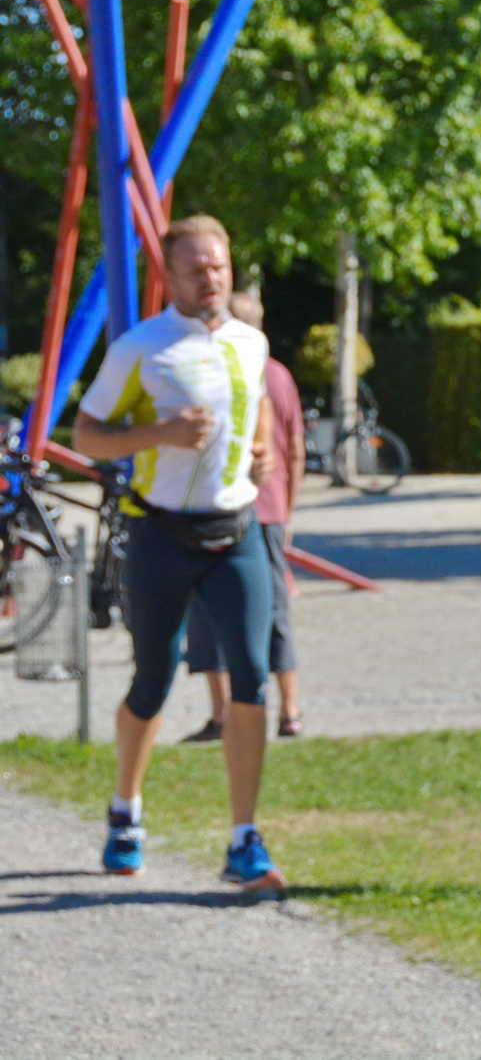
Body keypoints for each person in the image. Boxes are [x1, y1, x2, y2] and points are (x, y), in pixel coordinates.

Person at [74, 214, 286, 891]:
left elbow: (257, 407)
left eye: (218, 266)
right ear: (169, 276)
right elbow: (86, 435)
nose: (210, 279)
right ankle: (125, 812)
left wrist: (263, 450)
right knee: (153, 678)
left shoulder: (251, 341)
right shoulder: (141, 347)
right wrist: (160, 433)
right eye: (196, 269)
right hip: (160, 534)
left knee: (251, 677)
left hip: (235, 533)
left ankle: (244, 837)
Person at [180, 289, 307, 743]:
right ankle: (289, 710)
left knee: (206, 610)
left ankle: (221, 714)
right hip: (268, 509)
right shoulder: (280, 374)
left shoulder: (218, 370)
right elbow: (296, 449)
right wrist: (288, 510)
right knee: (273, 610)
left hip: (222, 506)